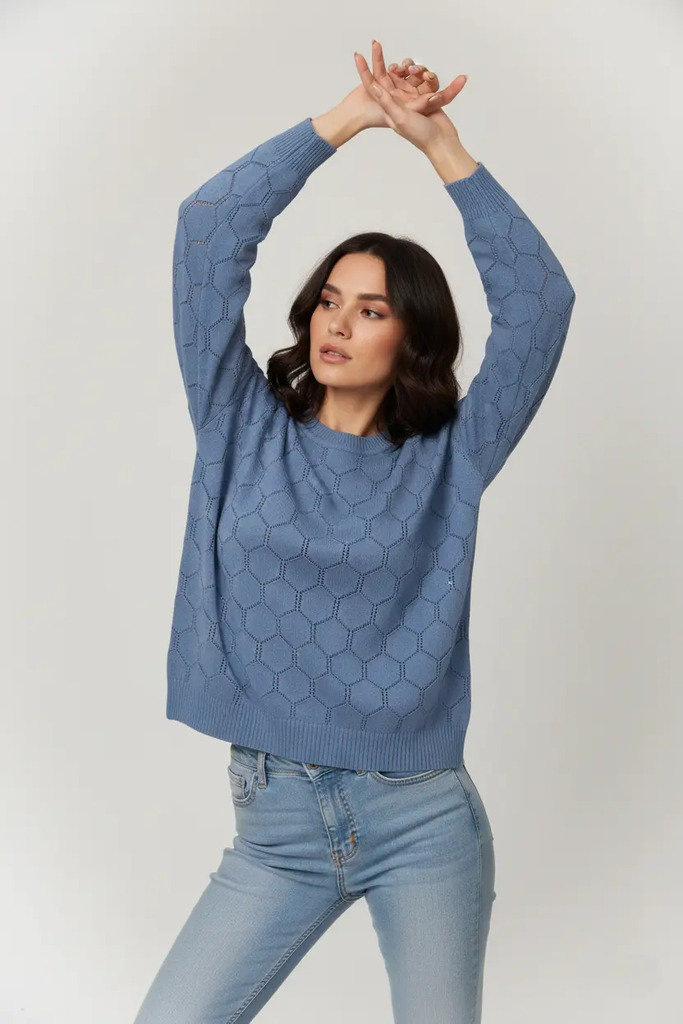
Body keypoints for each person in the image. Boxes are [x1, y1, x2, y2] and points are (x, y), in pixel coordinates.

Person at [134, 40, 576, 1024]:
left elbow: (540, 304)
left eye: (370, 309)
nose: (336, 324)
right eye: (328, 300)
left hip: (420, 819)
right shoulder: (239, 425)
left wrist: (437, 144)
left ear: (410, 337)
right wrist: (347, 120)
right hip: (276, 827)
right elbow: (207, 230)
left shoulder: (452, 459)